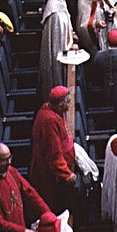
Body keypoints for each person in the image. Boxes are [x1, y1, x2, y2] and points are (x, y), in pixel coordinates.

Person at [29, 85, 77, 214]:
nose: (69, 106)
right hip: (50, 173)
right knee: (54, 204)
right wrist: (67, 174)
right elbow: (53, 154)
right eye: (68, 103)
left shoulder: (53, 110)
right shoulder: (49, 121)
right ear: (60, 105)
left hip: (61, 164)